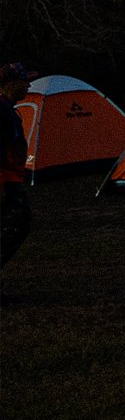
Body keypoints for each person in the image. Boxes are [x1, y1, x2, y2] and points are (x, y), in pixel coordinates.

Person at [1, 62, 34, 271]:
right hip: (7, 181)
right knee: (16, 225)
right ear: (12, 84)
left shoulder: (7, 109)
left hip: (11, 178)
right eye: (25, 82)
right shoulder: (2, 111)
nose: (28, 86)